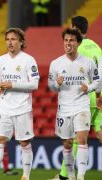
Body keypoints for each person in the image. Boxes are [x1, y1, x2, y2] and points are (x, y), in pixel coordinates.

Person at [0, 28, 40, 180]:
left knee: (24, 143)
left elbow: (34, 85)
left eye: (13, 39)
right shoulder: (1, 60)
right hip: (4, 107)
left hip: (22, 108)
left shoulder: (28, 60)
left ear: (21, 42)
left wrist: (12, 85)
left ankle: (26, 176)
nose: (10, 42)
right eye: (7, 39)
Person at [49, 16, 102, 180]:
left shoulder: (76, 48)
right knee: (99, 133)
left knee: (74, 139)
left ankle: (65, 176)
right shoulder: (97, 47)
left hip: (81, 97)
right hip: (96, 96)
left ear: (74, 29)